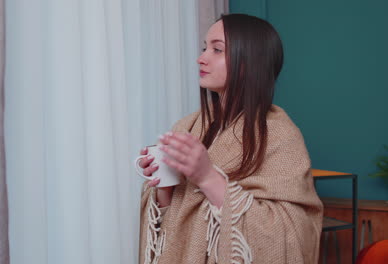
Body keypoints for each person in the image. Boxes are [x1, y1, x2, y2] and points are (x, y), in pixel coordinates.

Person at [137, 13, 323, 264]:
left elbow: (290, 235)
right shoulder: (188, 126)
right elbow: (168, 225)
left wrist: (206, 176)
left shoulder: (280, 135)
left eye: (217, 49)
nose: (201, 58)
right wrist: (164, 185)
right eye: (205, 48)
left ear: (250, 61)